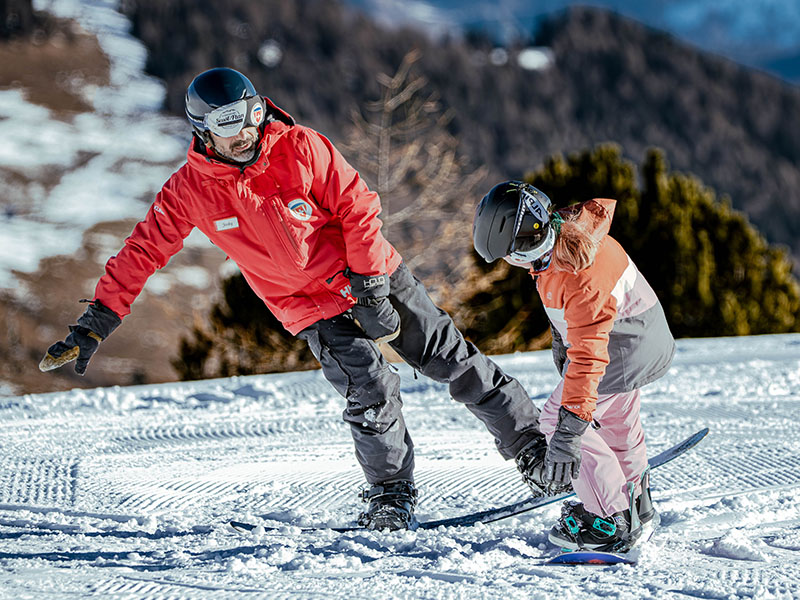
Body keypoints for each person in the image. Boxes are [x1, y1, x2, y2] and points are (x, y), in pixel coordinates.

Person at [38, 68, 553, 531]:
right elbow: (142, 252)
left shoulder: (301, 147)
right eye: (225, 123)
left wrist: (371, 284)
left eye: (247, 115)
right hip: (309, 307)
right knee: (369, 389)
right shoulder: (190, 190)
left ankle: (534, 450)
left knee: (449, 358)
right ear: (201, 130)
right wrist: (96, 322)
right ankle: (391, 495)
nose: (242, 131)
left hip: (370, 272)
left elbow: (358, 207)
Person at [472, 181, 676, 551]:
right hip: (640, 337)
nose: (514, 264)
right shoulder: (562, 241)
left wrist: (569, 431)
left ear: (527, 242)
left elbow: (590, 354)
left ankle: (610, 520)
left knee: (557, 421)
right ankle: (637, 504)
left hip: (623, 347)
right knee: (617, 422)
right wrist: (560, 337)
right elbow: (571, 316)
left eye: (513, 255)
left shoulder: (579, 274)